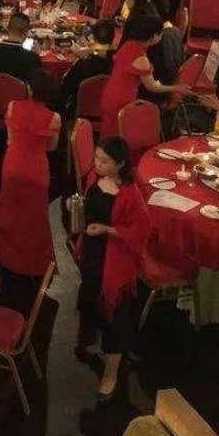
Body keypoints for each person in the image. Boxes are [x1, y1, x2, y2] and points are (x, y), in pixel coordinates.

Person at [75, 136, 150, 399]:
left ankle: (111, 372)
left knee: (115, 318)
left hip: (115, 260)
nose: (97, 164)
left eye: (104, 161)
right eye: (96, 158)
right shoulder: (94, 180)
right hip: (93, 255)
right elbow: (89, 210)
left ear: (120, 164)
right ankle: (91, 340)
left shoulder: (130, 193)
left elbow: (141, 229)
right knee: (92, 300)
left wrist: (108, 229)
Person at [0, 73, 61, 279]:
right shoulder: (54, 118)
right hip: (36, 168)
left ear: (29, 89)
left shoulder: (13, 106)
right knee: (34, 216)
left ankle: (3, 254)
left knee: (8, 209)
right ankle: (32, 261)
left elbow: (10, 139)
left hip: (12, 163)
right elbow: (52, 147)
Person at [99, 16, 163, 141]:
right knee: (117, 138)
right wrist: (176, 88)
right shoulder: (141, 57)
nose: (161, 36)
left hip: (110, 94)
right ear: (154, 36)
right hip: (122, 100)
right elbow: (152, 87)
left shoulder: (128, 45)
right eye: (160, 34)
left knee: (108, 135)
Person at [0, 11, 42, 87]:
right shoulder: (31, 57)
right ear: (26, 32)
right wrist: (37, 55)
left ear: (7, 29)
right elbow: (37, 82)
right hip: (20, 94)